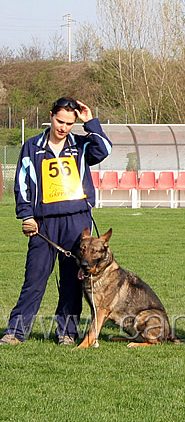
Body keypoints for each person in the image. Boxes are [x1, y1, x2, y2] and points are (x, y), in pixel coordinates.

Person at [0, 98, 112, 346]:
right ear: (50, 116)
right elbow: (22, 183)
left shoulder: (81, 145)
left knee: (73, 280)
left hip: (77, 221)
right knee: (35, 278)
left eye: (69, 123)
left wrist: (90, 122)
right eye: (60, 121)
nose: (63, 127)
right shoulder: (32, 146)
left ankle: (67, 333)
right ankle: (15, 332)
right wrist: (26, 215)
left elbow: (104, 150)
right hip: (43, 224)